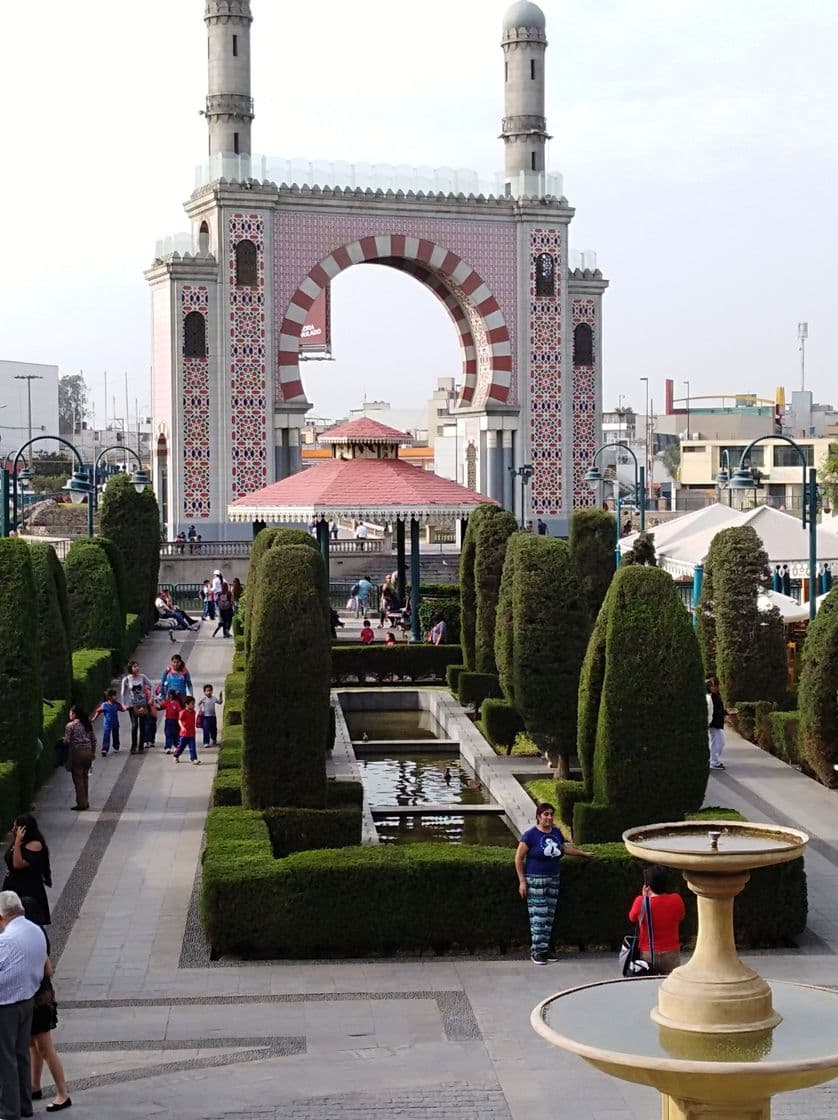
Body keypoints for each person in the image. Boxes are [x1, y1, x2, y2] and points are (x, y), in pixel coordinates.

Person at [514, 802, 595, 965]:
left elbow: (564, 849)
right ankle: (536, 951)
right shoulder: (530, 835)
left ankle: (544, 949)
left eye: (551, 814)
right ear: (538, 816)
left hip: (553, 878)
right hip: (535, 879)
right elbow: (518, 858)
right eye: (546, 814)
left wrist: (583, 854)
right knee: (539, 915)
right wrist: (522, 881)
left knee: (549, 915)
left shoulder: (556, 832)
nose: (549, 817)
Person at [0, 890, 48, 1120]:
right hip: (27, 1001)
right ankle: (25, 1106)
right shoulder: (35, 930)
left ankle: (9, 1110)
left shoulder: (5, 940)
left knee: (5, 1059)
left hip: (6, 1005)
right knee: (21, 1054)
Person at [20, 898, 70, 1113]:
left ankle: (63, 1093)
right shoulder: (35, 934)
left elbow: (47, 969)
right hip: (37, 996)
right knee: (34, 1044)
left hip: (39, 999)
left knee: (45, 1048)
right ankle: (34, 1085)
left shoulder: (32, 937)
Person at [628, 865, 685, 975]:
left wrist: (644, 897)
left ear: (647, 885)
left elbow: (632, 917)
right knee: (670, 987)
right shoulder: (676, 899)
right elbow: (681, 916)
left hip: (648, 953)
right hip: (671, 953)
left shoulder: (641, 902)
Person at [3, 818, 51, 928]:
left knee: (30, 919)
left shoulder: (35, 845)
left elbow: (18, 864)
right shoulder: (18, 842)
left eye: (15, 828)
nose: (13, 830)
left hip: (28, 889)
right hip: (13, 886)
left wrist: (18, 842)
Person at [63, 705, 96, 811]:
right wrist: (93, 752)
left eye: (70, 713)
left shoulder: (70, 726)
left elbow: (67, 741)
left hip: (77, 753)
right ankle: (86, 801)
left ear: (74, 714)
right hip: (88, 752)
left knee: (78, 778)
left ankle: (81, 803)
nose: (69, 715)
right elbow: (94, 739)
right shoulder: (87, 724)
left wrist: (62, 741)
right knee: (85, 777)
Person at [120, 661, 153, 754]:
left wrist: (151, 698)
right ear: (130, 668)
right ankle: (133, 745)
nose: (137, 668)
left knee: (143, 726)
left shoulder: (142, 677)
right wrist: (123, 704)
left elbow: (152, 685)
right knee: (134, 725)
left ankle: (141, 746)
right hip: (132, 705)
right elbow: (122, 693)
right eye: (134, 667)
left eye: (137, 666)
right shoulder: (126, 679)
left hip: (142, 704)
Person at [706, 675, 733, 770]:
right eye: (713, 685)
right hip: (713, 723)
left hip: (716, 723)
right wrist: (725, 712)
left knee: (718, 742)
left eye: (715, 684)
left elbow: (717, 709)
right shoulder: (710, 697)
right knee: (718, 742)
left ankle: (713, 760)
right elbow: (713, 711)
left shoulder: (716, 695)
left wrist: (725, 711)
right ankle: (713, 762)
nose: (715, 687)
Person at [91, 688, 123, 756]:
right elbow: (98, 711)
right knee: (106, 736)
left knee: (116, 735)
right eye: (114, 695)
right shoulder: (104, 705)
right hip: (107, 724)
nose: (116, 697)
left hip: (115, 723)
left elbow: (122, 709)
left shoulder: (116, 704)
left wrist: (127, 707)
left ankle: (116, 746)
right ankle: (105, 749)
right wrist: (94, 718)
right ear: (109, 697)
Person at [173, 696, 200, 764]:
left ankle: (194, 759)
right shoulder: (183, 712)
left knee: (192, 747)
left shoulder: (193, 712)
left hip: (192, 733)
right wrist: (182, 727)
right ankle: (176, 755)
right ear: (186, 704)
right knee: (181, 747)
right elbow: (179, 720)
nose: (193, 705)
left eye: (194, 703)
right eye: (192, 703)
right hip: (184, 734)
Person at [162, 690, 182, 755]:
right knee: (168, 734)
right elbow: (161, 706)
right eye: (169, 695)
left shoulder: (176, 703)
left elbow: (180, 711)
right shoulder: (167, 702)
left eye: (171, 695)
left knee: (175, 734)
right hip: (168, 720)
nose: (169, 696)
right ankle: (168, 747)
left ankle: (176, 746)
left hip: (175, 721)